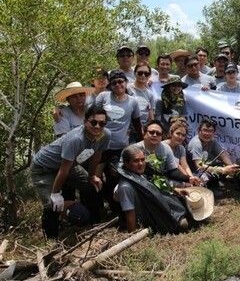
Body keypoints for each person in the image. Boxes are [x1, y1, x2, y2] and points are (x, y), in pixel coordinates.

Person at [31, 105, 110, 237]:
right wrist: (55, 193)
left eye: (102, 123)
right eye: (93, 122)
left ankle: (93, 222)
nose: (97, 126)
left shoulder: (105, 135)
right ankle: (51, 237)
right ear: (85, 122)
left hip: (69, 165)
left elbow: (96, 155)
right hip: (44, 168)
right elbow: (63, 170)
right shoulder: (75, 139)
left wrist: (91, 176)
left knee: (91, 186)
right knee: (52, 205)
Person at [114, 144, 189, 233]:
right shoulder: (126, 187)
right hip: (149, 220)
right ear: (126, 163)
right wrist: (133, 235)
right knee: (183, 224)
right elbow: (130, 213)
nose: (141, 163)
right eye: (136, 161)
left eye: (142, 160)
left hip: (156, 210)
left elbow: (156, 188)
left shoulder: (140, 175)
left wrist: (176, 190)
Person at [127, 121, 200, 187]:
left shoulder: (166, 149)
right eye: (152, 132)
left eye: (158, 133)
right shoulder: (133, 149)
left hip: (158, 181)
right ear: (144, 133)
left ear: (161, 136)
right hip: (135, 180)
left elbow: (173, 171)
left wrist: (189, 178)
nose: (155, 135)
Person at [96, 70, 142, 167]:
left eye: (120, 81)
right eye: (114, 82)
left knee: (116, 175)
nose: (117, 84)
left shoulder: (133, 102)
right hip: (101, 145)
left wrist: (141, 140)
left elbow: (137, 123)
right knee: (97, 177)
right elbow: (92, 116)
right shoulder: (103, 96)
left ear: (126, 82)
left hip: (121, 146)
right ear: (110, 85)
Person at [129, 63, 156, 128]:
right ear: (135, 73)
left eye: (146, 73)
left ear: (149, 76)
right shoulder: (127, 88)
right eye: (140, 73)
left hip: (143, 128)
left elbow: (151, 116)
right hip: (128, 129)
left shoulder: (150, 94)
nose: (143, 75)